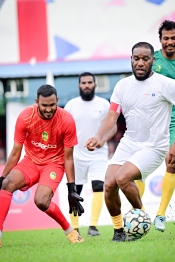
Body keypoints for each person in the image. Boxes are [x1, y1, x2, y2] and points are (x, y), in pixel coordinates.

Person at [85, 42, 175, 242]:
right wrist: (98, 136)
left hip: (154, 147)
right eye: (136, 58)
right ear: (131, 60)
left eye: (145, 58)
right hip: (129, 143)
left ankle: (141, 218)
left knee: (122, 178)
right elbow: (111, 116)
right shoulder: (122, 85)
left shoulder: (166, 84)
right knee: (109, 183)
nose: (140, 62)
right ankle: (119, 231)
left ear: (153, 60)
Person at [0, 84, 85, 248]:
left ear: (57, 100)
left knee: (41, 201)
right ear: (37, 102)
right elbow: (15, 153)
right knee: (8, 184)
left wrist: (72, 190)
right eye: (44, 105)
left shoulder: (67, 120)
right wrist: (0, 181)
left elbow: (69, 158)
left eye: (52, 105)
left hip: (54, 164)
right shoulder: (25, 117)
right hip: (31, 161)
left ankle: (70, 230)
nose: (49, 109)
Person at [135, 20, 175, 232]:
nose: (170, 42)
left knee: (172, 163)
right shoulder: (151, 59)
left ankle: (160, 215)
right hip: (149, 121)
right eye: (166, 38)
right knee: (139, 168)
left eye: (173, 38)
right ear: (160, 40)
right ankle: (139, 211)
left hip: (174, 121)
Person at [64, 72, 117, 236]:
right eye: (83, 83)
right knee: (75, 191)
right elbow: (63, 129)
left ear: (95, 84)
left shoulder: (103, 103)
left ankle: (93, 226)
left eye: (89, 82)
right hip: (76, 156)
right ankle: (75, 227)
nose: (86, 85)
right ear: (79, 85)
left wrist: (102, 140)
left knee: (99, 187)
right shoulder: (71, 105)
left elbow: (113, 127)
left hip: (98, 154)